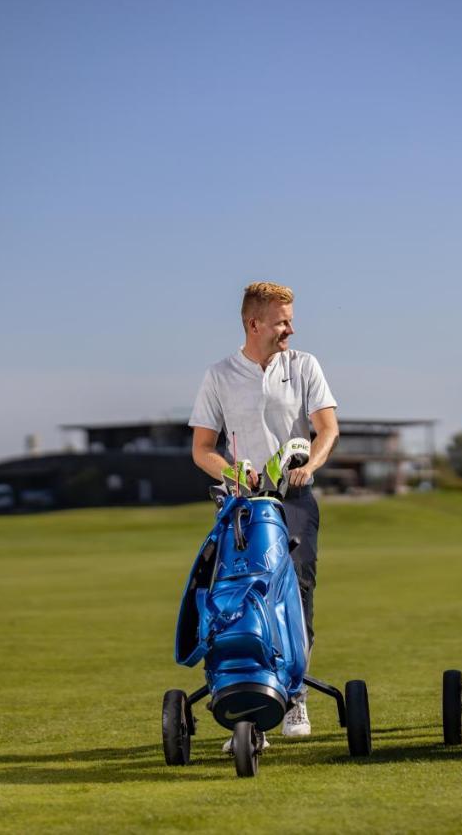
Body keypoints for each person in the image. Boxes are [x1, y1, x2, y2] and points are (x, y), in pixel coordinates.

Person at [189, 281, 339, 743]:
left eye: (290, 320)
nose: (290, 329)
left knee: (297, 591)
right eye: (281, 321)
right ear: (255, 324)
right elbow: (201, 448)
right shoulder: (219, 374)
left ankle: (293, 695)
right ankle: (246, 695)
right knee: (242, 596)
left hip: (292, 499)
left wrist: (309, 465)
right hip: (240, 505)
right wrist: (231, 473)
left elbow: (327, 428)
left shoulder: (304, 365)